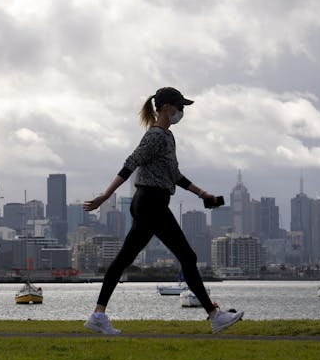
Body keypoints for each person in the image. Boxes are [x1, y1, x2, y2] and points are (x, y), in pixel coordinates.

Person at [82, 87, 243, 334]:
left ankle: (98, 315)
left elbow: (174, 175)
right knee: (187, 257)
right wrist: (105, 195)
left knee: (124, 259)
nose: (182, 112)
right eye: (180, 107)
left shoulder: (168, 137)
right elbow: (130, 163)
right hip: (150, 202)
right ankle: (214, 315)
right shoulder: (155, 136)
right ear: (167, 107)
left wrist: (203, 194)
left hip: (152, 201)